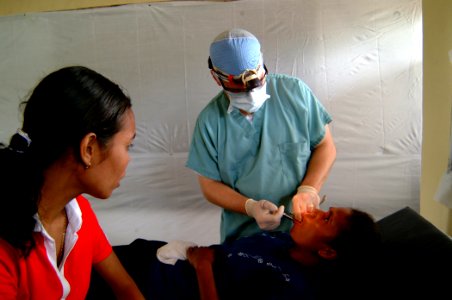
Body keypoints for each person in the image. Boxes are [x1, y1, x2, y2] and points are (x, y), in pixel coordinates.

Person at [0, 66, 144, 299]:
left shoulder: (79, 216)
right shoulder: (6, 247)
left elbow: (126, 288)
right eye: (128, 146)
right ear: (89, 149)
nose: (128, 160)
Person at [186, 28, 337, 243]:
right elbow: (209, 185)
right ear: (216, 77)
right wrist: (250, 207)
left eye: (257, 80)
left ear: (262, 64)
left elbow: (325, 146)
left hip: (299, 232)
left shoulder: (295, 93)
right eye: (238, 86)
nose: (251, 93)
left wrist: (309, 188)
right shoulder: (210, 122)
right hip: (244, 235)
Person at [87, 207, 382, 300]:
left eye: (326, 218)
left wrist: (201, 266)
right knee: (78, 255)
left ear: (328, 251)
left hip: (153, 289)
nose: (313, 211)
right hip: (156, 258)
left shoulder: (293, 289)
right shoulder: (284, 241)